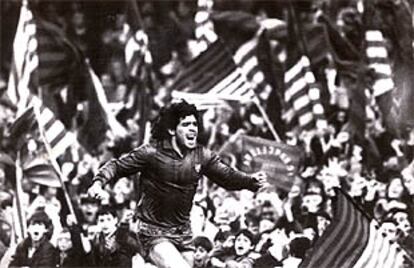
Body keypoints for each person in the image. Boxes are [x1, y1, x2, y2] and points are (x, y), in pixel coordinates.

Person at [88, 100, 268, 267]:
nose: (193, 129)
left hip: (183, 232)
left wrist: (250, 181)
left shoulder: (201, 155)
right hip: (153, 231)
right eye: (186, 124)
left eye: (195, 124)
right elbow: (117, 166)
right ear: (172, 130)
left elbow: (227, 176)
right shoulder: (151, 153)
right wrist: (98, 183)